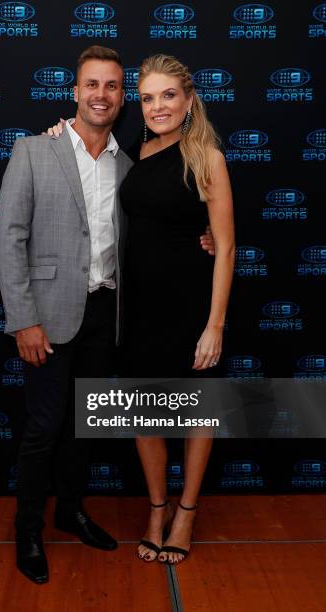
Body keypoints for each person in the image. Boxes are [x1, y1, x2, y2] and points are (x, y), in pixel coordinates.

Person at [0, 46, 216, 585]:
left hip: (108, 315)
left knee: (82, 427)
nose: (101, 94)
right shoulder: (32, 150)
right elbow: (9, 238)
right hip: (47, 316)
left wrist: (202, 240)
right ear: (74, 91)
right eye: (91, 84)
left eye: (113, 86)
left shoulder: (131, 161)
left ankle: (70, 512)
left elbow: (163, 217)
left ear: (123, 99)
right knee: (43, 428)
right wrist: (23, 319)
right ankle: (28, 530)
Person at [119, 55, 235, 565]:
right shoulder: (134, 149)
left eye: (168, 95)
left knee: (194, 413)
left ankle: (186, 511)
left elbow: (226, 246)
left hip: (190, 306)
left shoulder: (206, 157)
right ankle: (156, 508)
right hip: (139, 306)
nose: (157, 106)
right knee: (145, 413)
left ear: (189, 100)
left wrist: (215, 326)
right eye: (147, 97)